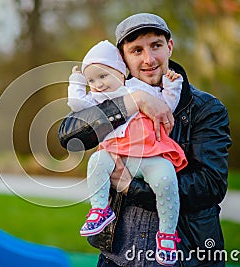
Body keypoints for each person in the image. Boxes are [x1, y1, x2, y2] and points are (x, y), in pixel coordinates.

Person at [59, 13, 231, 266]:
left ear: (169, 46)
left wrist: (132, 188)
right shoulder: (109, 96)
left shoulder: (206, 108)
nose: (148, 59)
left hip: (186, 257)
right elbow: (70, 135)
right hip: (118, 255)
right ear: (123, 59)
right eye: (136, 50)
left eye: (156, 46)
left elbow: (210, 186)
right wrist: (134, 101)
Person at [67, 40, 187, 265]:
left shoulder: (139, 88)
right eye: (92, 80)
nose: (98, 84)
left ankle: (167, 234)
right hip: (116, 155)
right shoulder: (97, 100)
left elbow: (166, 106)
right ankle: (100, 211)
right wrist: (77, 80)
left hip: (149, 155)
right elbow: (76, 104)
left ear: (120, 72)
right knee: (95, 161)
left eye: (103, 76)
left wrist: (172, 86)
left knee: (166, 177)